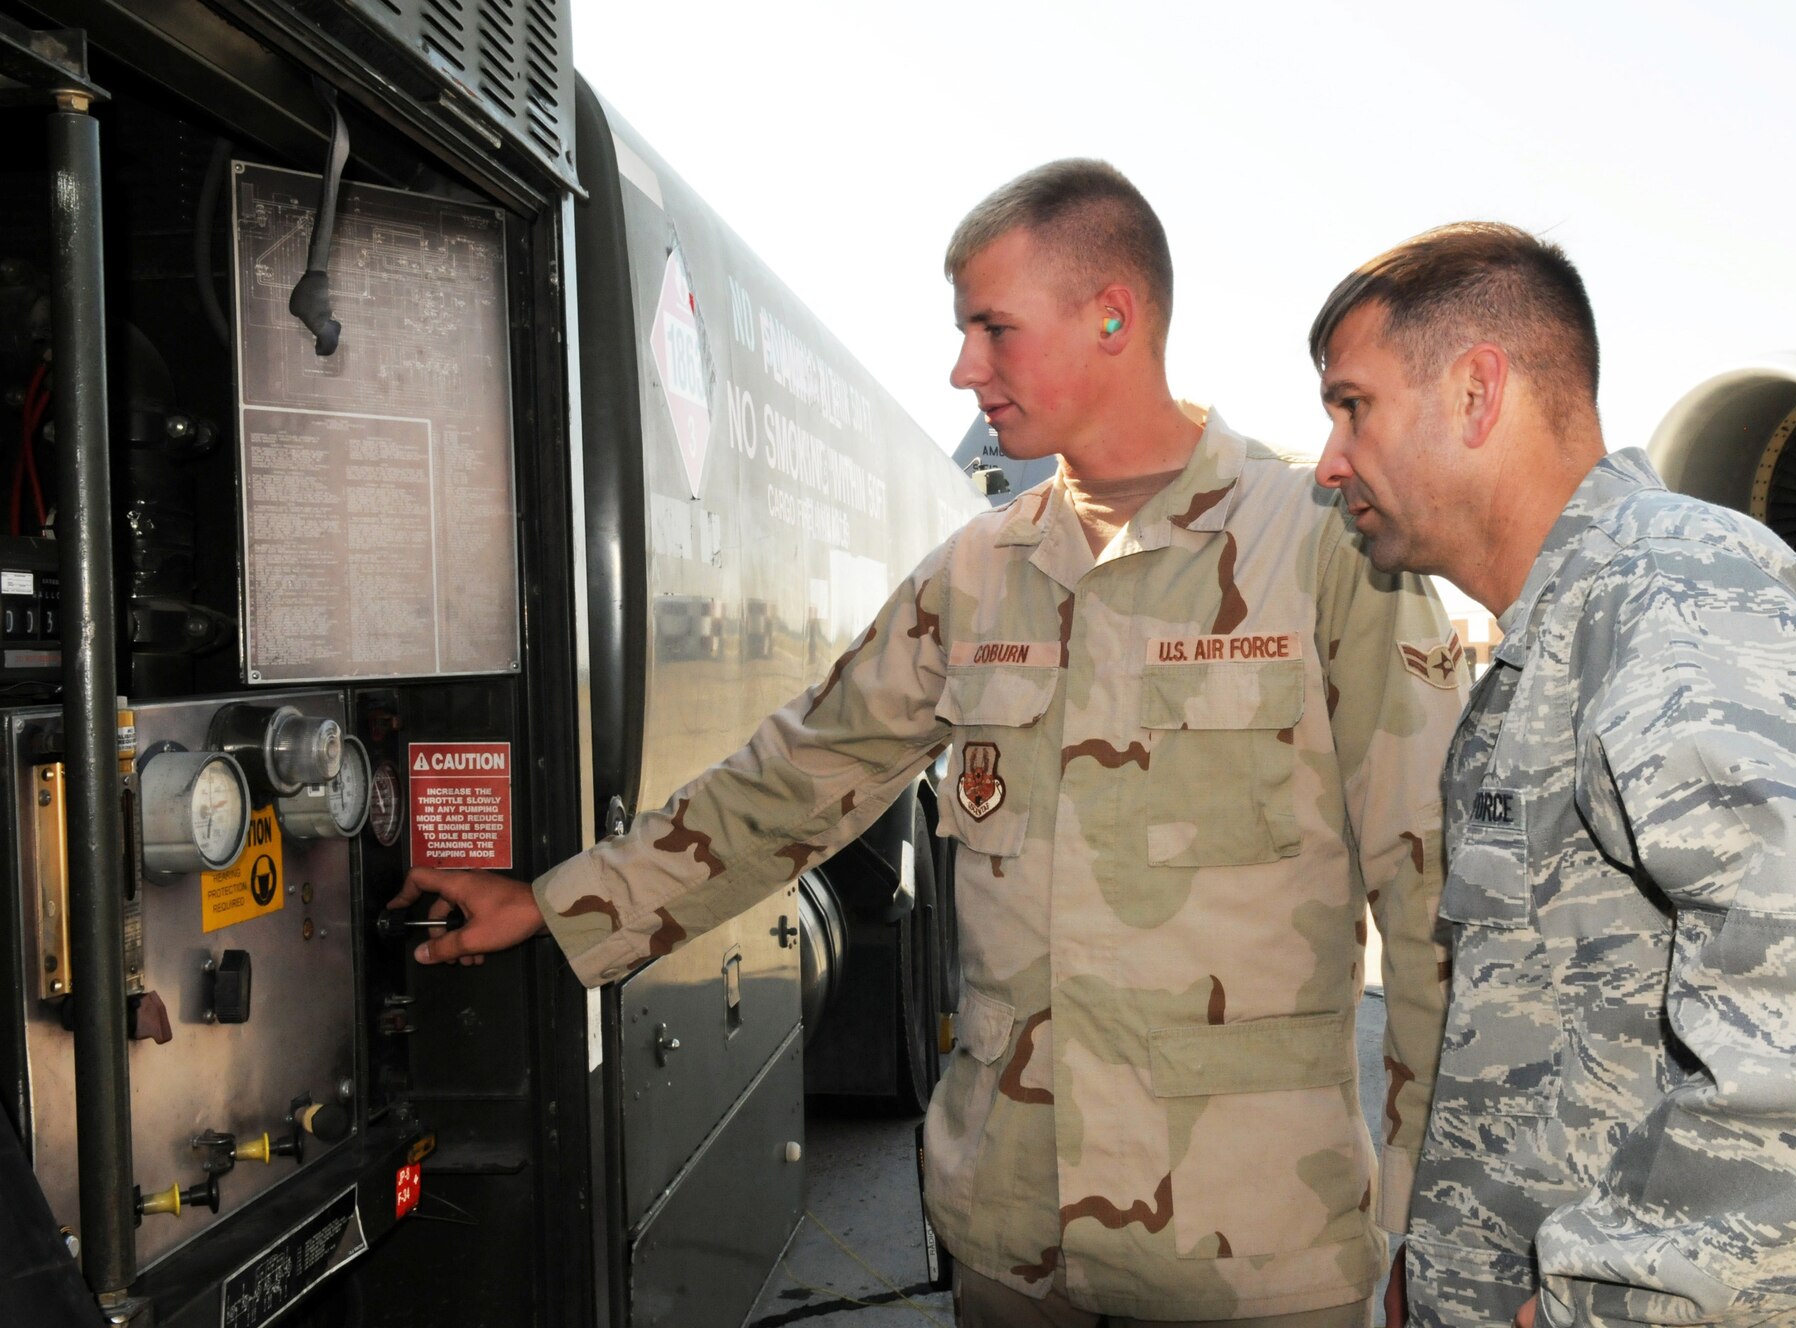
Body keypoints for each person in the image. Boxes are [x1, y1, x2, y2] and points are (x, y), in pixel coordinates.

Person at [391, 160, 1465, 1326]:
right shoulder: (976, 571)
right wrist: (558, 903)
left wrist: (1439, 1234)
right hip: (1013, 1237)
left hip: (1249, 1254)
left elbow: (1437, 901)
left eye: (993, 329)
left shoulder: (1321, 547)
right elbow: (797, 777)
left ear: (1112, 316)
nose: (964, 368)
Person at [1306, 221, 1796, 1328]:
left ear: (1477, 393)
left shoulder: (1665, 586)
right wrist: (1442, 1267)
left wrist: (1622, 1290)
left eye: (1353, 406)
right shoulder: (1561, 635)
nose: (1330, 460)